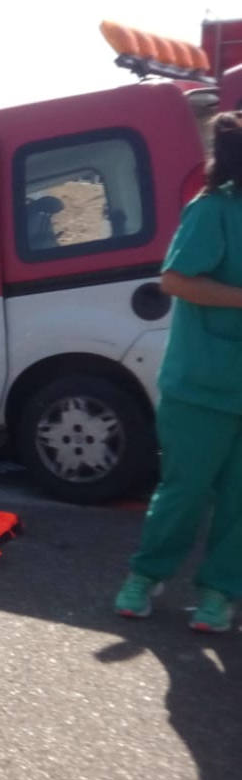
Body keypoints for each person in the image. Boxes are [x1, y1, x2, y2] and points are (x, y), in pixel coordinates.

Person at [116, 111, 242, 631]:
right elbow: (175, 281)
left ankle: (219, 594)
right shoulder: (213, 211)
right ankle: (145, 577)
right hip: (201, 387)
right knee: (183, 492)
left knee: (240, 502)